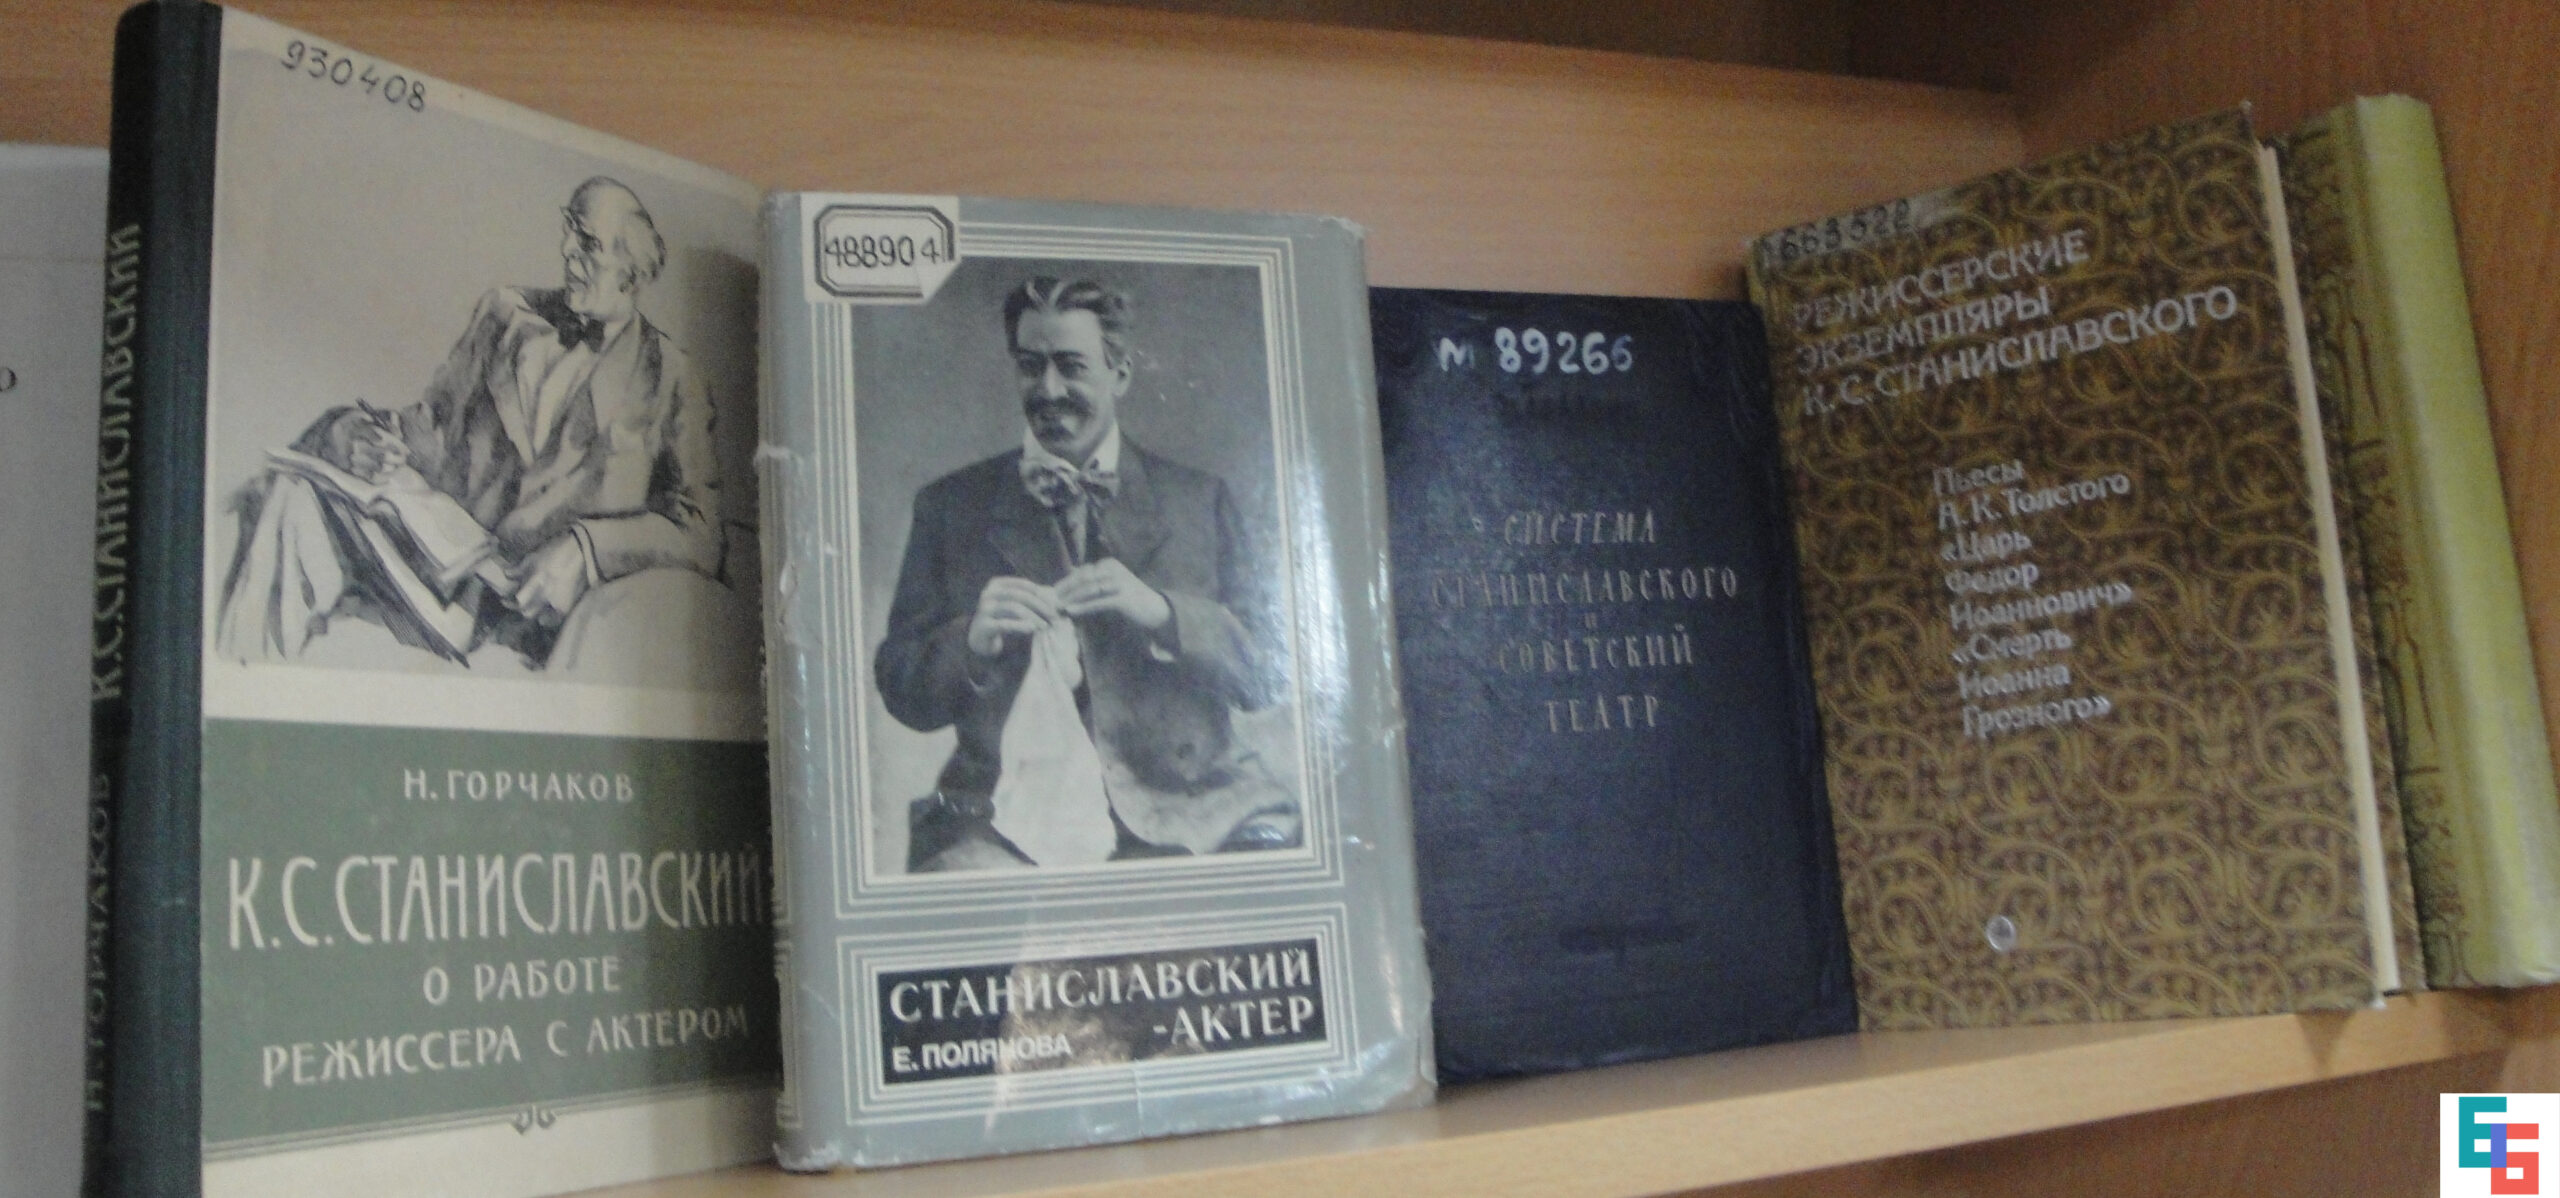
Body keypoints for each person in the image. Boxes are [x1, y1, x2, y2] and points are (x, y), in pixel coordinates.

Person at [216, 176, 730, 674]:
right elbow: (428, 429)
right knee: (293, 496)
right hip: (440, 574)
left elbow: (702, 535)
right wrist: (349, 434)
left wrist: (587, 547)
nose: (566, 250)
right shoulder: (508, 315)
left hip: (524, 613)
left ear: (632, 275)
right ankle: (238, 686)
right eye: (568, 229)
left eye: (588, 243)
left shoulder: (673, 378)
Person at [875, 276, 1296, 870]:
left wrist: (1165, 614)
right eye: (1031, 367)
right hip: (1002, 818)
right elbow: (903, 691)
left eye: (1071, 366)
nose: (1048, 390)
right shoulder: (951, 506)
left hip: (1196, 802)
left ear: (1119, 373)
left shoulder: (1199, 501)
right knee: (958, 885)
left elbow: (1267, 677)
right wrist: (972, 639)